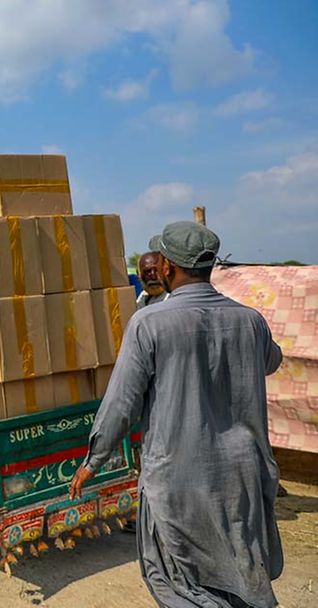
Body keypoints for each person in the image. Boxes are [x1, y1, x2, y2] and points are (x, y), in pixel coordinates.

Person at [69, 221, 284, 608]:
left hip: (177, 480)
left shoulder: (150, 324)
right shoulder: (250, 321)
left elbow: (121, 403)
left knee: (178, 582)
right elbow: (272, 361)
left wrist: (93, 460)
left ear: (168, 266)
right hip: (243, 477)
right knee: (239, 574)